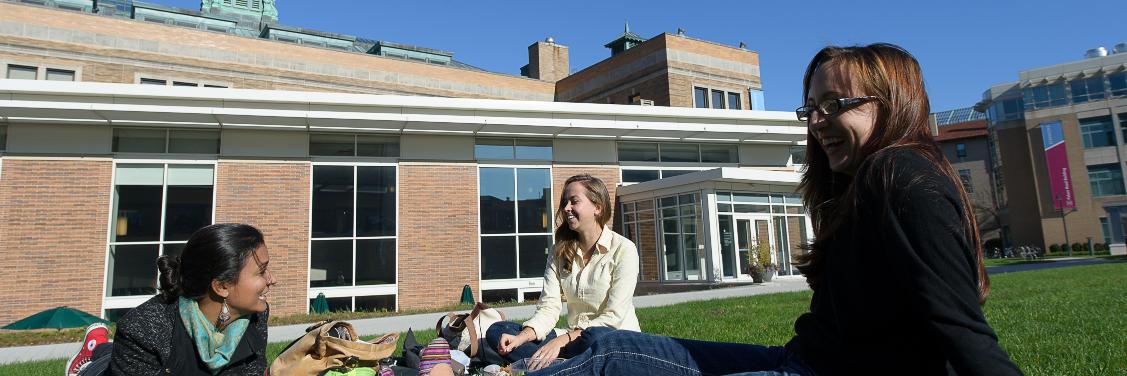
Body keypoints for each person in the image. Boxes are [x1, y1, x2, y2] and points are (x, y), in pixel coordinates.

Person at [527, 44, 1023, 376]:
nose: (819, 122)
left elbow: (959, 327)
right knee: (608, 352)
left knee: (606, 360)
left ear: (891, 102)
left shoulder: (899, 173)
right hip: (802, 358)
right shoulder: (862, 186)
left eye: (835, 103)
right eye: (811, 108)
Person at [68, 223, 277, 376]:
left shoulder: (256, 314)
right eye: (262, 271)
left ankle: (103, 347)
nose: (272, 280)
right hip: (107, 371)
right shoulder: (143, 329)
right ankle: (91, 356)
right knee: (100, 366)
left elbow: (251, 371)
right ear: (222, 286)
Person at [485, 174, 640, 369]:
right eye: (565, 202)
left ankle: (555, 365)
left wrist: (561, 341)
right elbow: (548, 307)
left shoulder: (624, 249)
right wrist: (522, 337)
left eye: (574, 201)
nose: (566, 208)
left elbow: (613, 317)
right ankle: (566, 365)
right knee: (498, 330)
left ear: (598, 207)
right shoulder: (559, 251)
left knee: (595, 337)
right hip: (573, 339)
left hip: (611, 339)